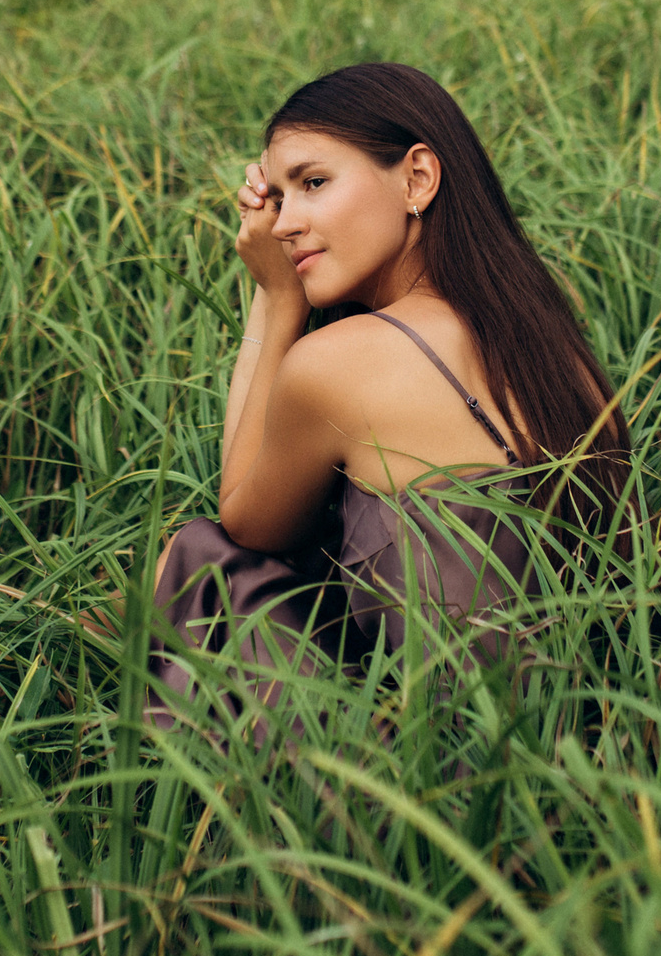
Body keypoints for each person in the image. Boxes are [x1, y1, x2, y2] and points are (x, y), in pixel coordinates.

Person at [149, 62, 630, 719]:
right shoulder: (547, 337)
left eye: (314, 182)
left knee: (203, 560)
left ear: (418, 178)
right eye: (279, 198)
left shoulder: (339, 363)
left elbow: (245, 519)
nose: (285, 223)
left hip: (429, 790)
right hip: (578, 750)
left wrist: (276, 299)